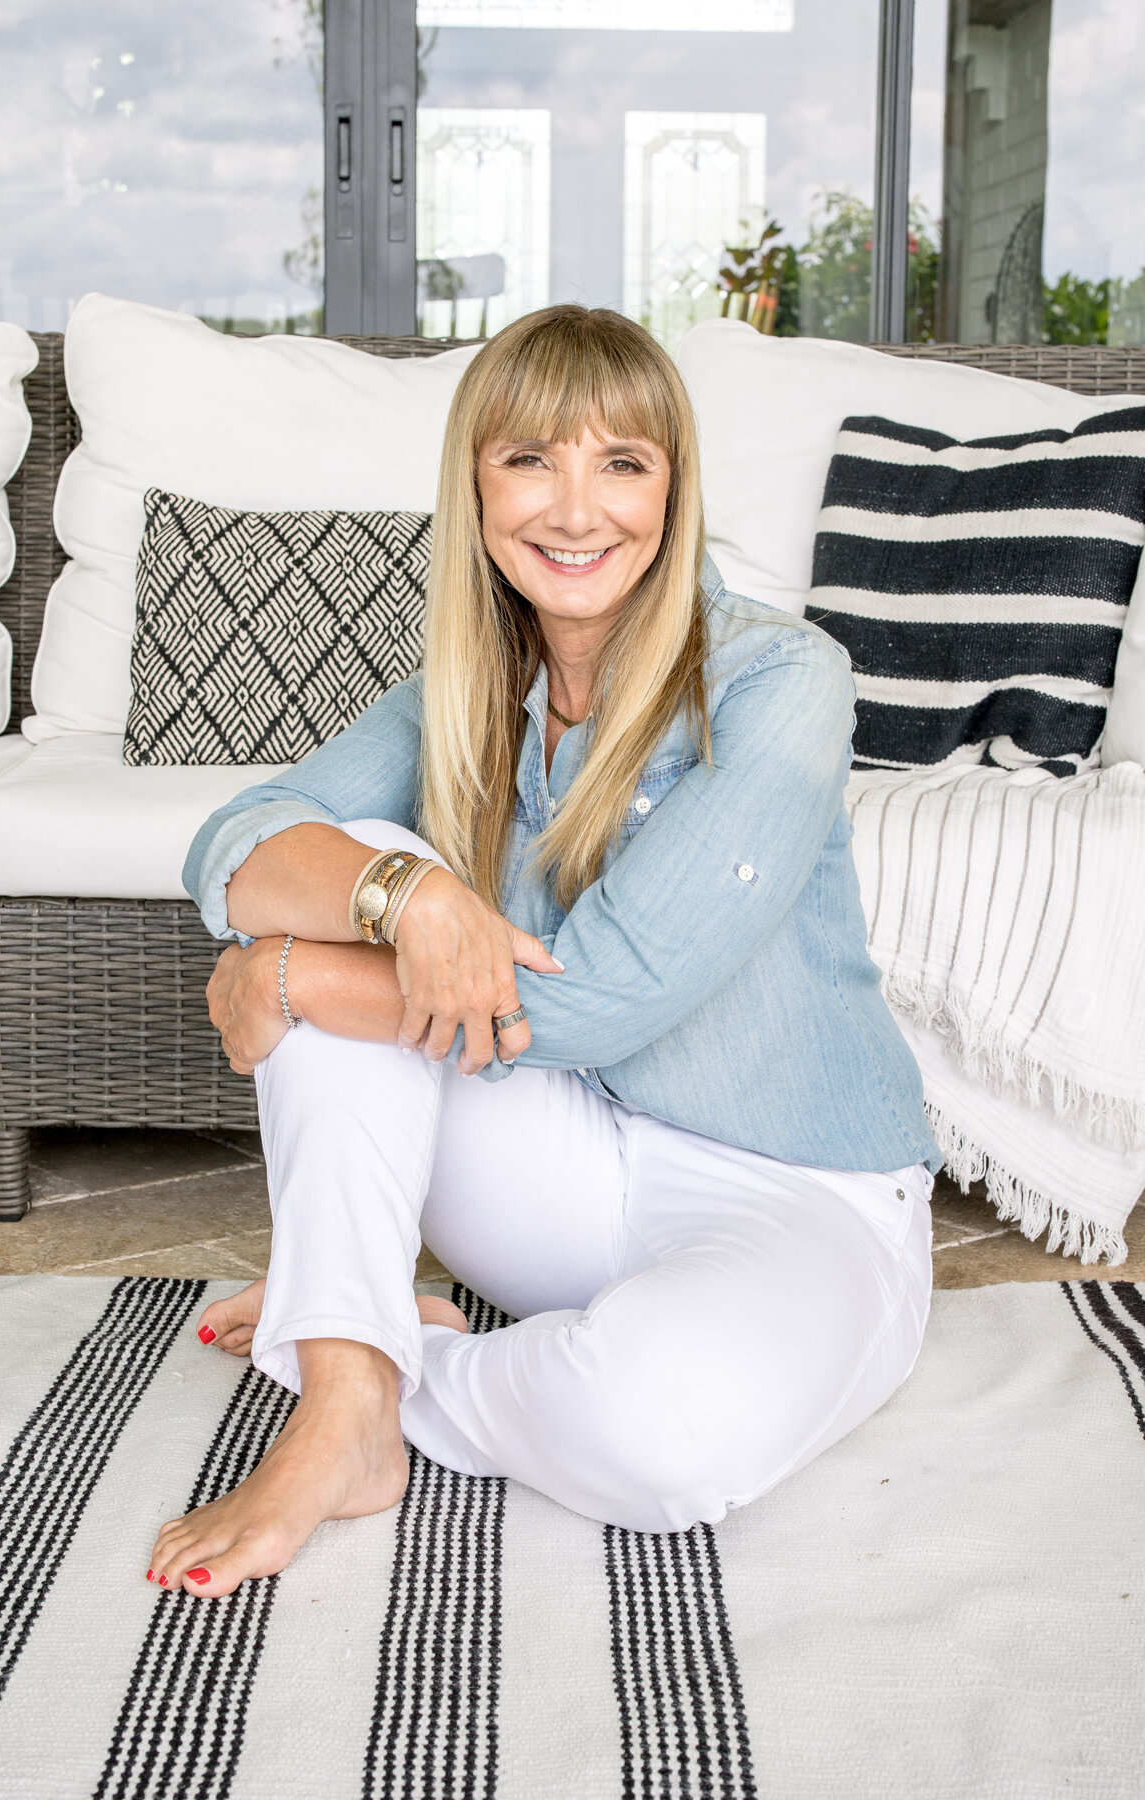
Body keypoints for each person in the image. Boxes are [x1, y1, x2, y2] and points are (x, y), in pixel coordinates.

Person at [146, 305, 940, 1600]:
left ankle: (381, 1349)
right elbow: (232, 846)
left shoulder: (781, 678)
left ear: (673, 491)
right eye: (531, 459)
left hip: (799, 1197)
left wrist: (289, 974)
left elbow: (604, 1000)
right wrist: (411, 896)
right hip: (556, 1160)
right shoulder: (463, 687)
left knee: (663, 1440)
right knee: (336, 864)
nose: (577, 509)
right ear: (475, 482)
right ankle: (343, 1412)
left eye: (621, 463)